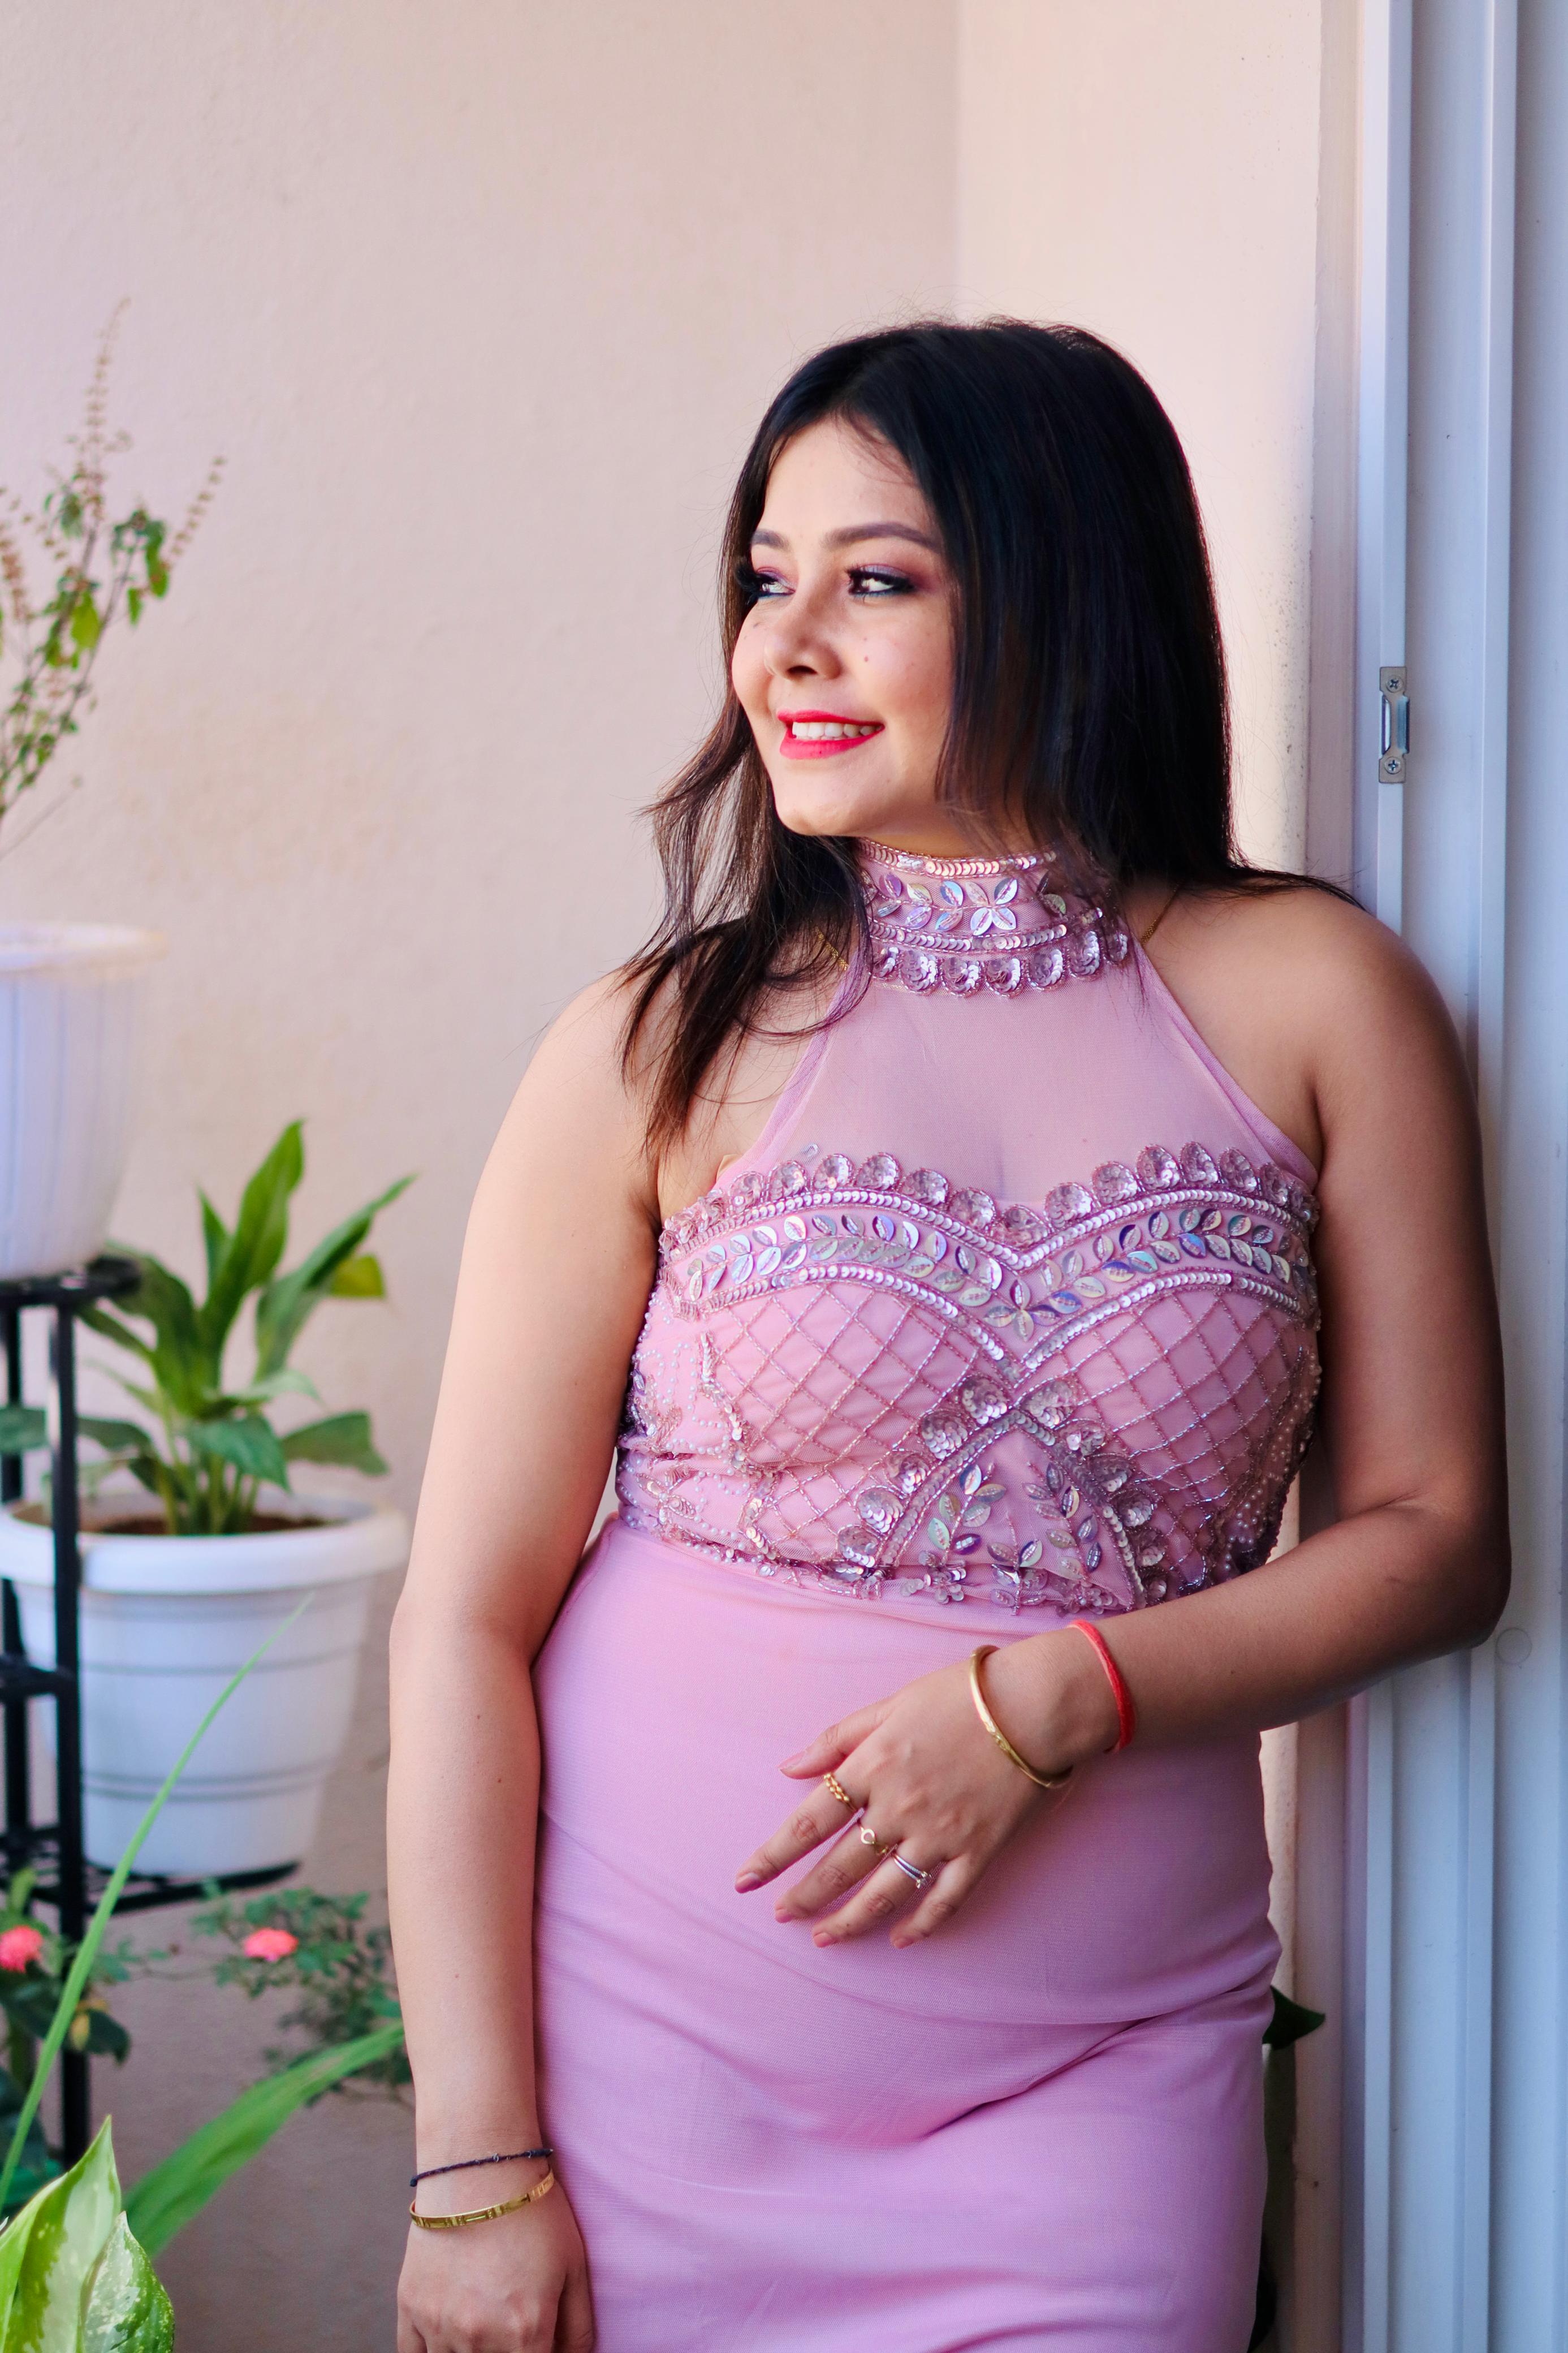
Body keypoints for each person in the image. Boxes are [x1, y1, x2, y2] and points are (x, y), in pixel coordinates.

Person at [388, 321, 1507, 2353]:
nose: (787, 645)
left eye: (876, 580)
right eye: (768, 578)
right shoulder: (654, 1046)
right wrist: (477, 2165)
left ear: (1067, 592)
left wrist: (1054, 1699)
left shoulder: (1323, 999)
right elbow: (462, 1621)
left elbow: (1440, 1539)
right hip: (651, 2084)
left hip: (1099, 2099)